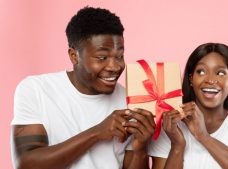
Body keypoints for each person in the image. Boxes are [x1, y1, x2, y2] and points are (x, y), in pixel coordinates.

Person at [11, 6, 155, 169]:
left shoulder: (132, 101)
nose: (114, 66)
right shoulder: (36, 90)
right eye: (102, 57)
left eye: (119, 56)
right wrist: (97, 133)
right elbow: (26, 163)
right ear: (74, 56)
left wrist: (140, 147)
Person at [149, 43, 228, 169]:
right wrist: (177, 145)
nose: (210, 79)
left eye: (220, 73)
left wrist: (204, 137)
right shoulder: (170, 127)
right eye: (201, 71)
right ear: (191, 79)